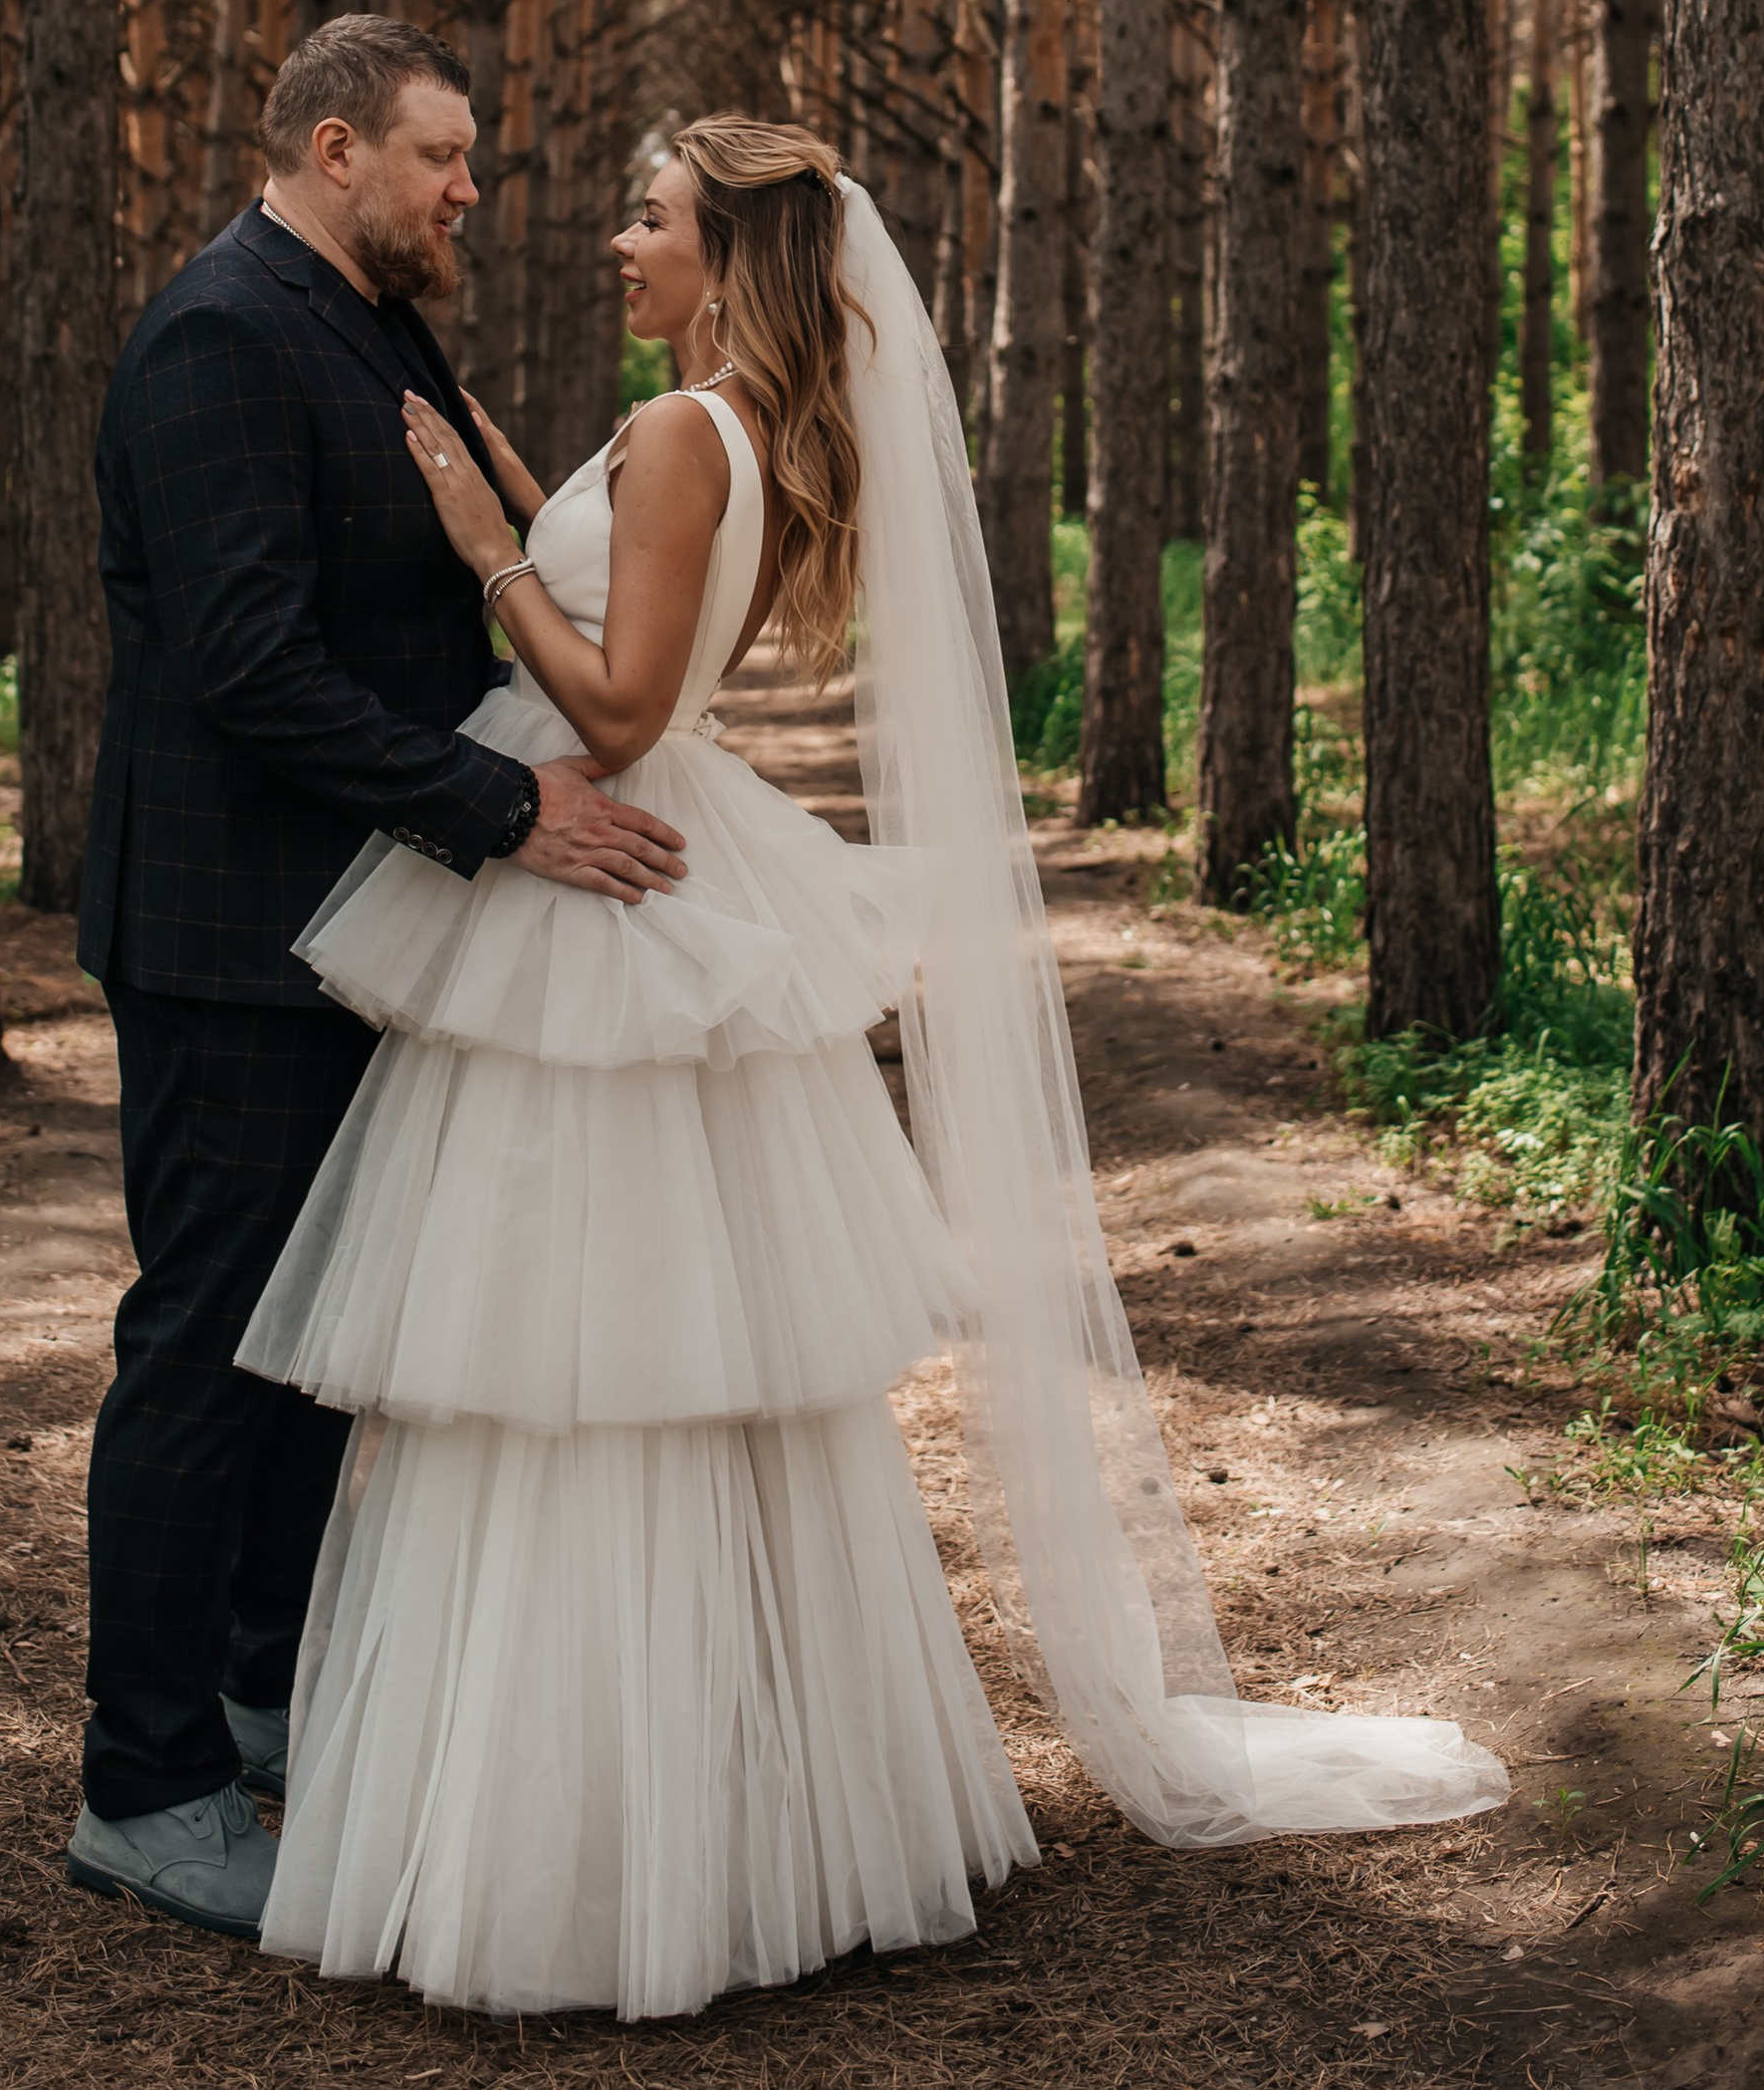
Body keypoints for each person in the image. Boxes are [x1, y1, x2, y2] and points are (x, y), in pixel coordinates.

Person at [239, 117, 1508, 2019]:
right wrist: (521, 476)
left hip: (608, 884)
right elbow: (644, 593)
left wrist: (496, 548)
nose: (616, 238)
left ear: (735, 258)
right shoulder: (721, 426)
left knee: (582, 1357)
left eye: (650, 218)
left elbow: (625, 704)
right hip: (641, 882)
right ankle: (759, 1810)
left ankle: (581, 1846)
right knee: (680, 1365)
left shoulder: (689, 432)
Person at [65, 15, 674, 1937]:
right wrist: (501, 808)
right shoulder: (222, 338)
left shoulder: (374, 319)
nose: (470, 193)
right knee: (204, 1348)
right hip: (233, 939)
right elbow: (250, 668)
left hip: (363, 928)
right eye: (443, 159)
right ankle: (142, 1788)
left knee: (315, 1355)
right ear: (337, 151)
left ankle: (258, 1707)